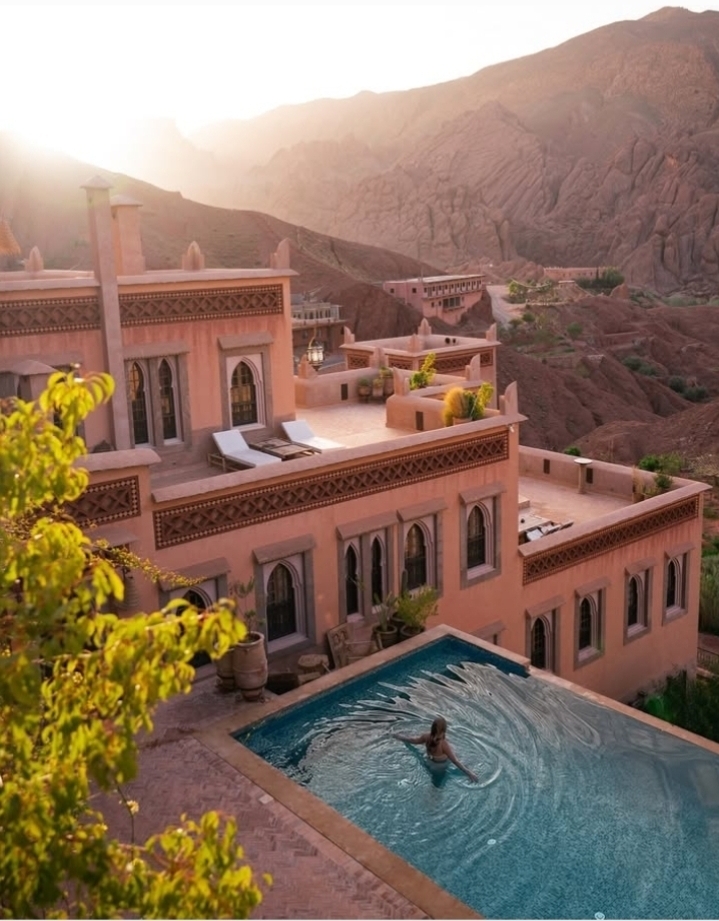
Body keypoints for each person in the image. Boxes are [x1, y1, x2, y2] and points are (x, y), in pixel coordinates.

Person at [394, 716, 478, 782]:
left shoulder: (426, 736)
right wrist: (469, 773)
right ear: (444, 731)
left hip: (429, 762)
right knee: (439, 784)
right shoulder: (444, 744)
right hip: (440, 767)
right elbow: (455, 761)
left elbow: (413, 740)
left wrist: (400, 737)